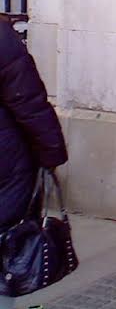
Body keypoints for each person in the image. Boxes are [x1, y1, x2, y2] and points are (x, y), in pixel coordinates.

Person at [0, 18, 68, 306]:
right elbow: (29, 103)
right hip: (7, 166)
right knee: (7, 250)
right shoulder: (2, 37)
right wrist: (51, 153)